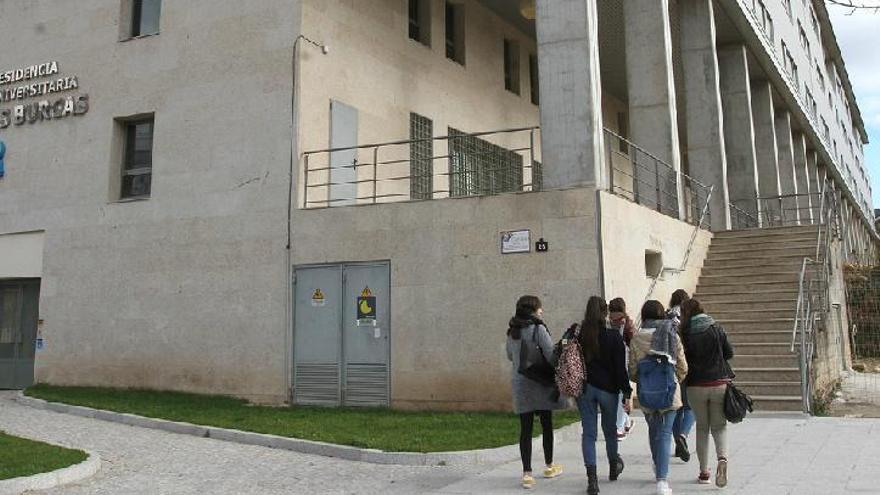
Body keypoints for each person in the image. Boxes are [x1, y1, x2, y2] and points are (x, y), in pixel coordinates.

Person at [506, 295, 567, 489]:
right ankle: (549, 466)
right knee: (546, 424)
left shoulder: (512, 332)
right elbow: (550, 355)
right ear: (533, 310)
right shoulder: (539, 329)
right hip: (540, 382)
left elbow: (510, 355)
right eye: (540, 308)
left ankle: (527, 474)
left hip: (521, 383)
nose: (542, 311)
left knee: (525, 429)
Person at [629, 300, 688, 495]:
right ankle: (662, 481)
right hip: (669, 393)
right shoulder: (672, 334)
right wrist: (673, 380)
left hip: (647, 394)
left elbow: (632, 371)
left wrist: (646, 381)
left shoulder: (636, 338)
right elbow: (682, 366)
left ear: (644, 316)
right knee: (664, 434)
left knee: (654, 431)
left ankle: (658, 465)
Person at [576, 296, 632, 495]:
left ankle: (592, 479)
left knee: (589, 434)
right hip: (608, 389)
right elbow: (620, 369)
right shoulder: (613, 336)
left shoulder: (579, 335)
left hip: (585, 389)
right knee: (609, 430)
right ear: (604, 313)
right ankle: (613, 466)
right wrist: (627, 391)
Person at [679, 298, 735, 488]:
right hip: (719, 382)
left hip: (695, 385)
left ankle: (704, 472)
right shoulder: (716, 328)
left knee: (702, 427)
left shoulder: (685, 332)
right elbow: (729, 353)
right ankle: (723, 458)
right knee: (719, 427)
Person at [667, 289, 695, 463]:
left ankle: (677, 442)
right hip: (685, 365)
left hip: (670, 366)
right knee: (690, 407)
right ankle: (683, 436)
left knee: (677, 407)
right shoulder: (687, 317)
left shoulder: (666, 316)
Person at [608, 297, 635, 440]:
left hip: (615, 363)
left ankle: (623, 424)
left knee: (619, 395)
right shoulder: (627, 322)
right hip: (622, 362)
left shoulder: (610, 323)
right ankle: (622, 424)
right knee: (622, 395)